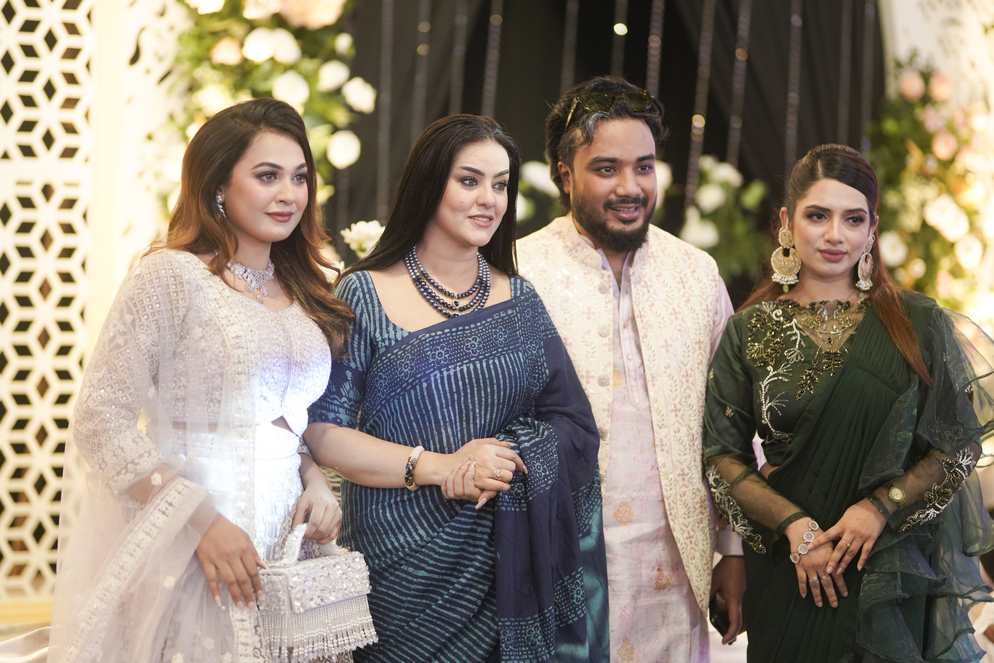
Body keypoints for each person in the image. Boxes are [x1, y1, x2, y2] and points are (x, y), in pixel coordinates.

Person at [46, 98, 360, 663]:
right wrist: (200, 522)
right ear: (218, 186)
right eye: (267, 176)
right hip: (193, 541)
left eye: (299, 177)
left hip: (286, 546)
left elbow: (281, 423)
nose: (289, 194)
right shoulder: (171, 275)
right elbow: (100, 420)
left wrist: (316, 481)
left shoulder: (304, 289)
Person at [304, 114, 609, 663]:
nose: (489, 200)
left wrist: (505, 458)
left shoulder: (520, 300)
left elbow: (573, 424)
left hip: (504, 563)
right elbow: (325, 432)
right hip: (400, 572)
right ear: (429, 183)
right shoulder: (364, 294)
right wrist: (443, 467)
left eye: (500, 185)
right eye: (469, 180)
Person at [704, 143, 994, 662]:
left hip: (888, 570)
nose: (835, 235)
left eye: (853, 219)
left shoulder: (916, 322)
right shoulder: (750, 330)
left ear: (872, 227)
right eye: (818, 216)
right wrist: (794, 527)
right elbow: (723, 456)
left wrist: (880, 507)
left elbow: (958, 444)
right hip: (788, 571)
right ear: (787, 222)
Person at [516, 75, 745, 662]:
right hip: (555, 555)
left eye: (644, 167)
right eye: (606, 168)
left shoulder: (695, 274)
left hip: (675, 563)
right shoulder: (518, 273)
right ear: (564, 175)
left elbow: (732, 422)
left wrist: (733, 548)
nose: (630, 187)